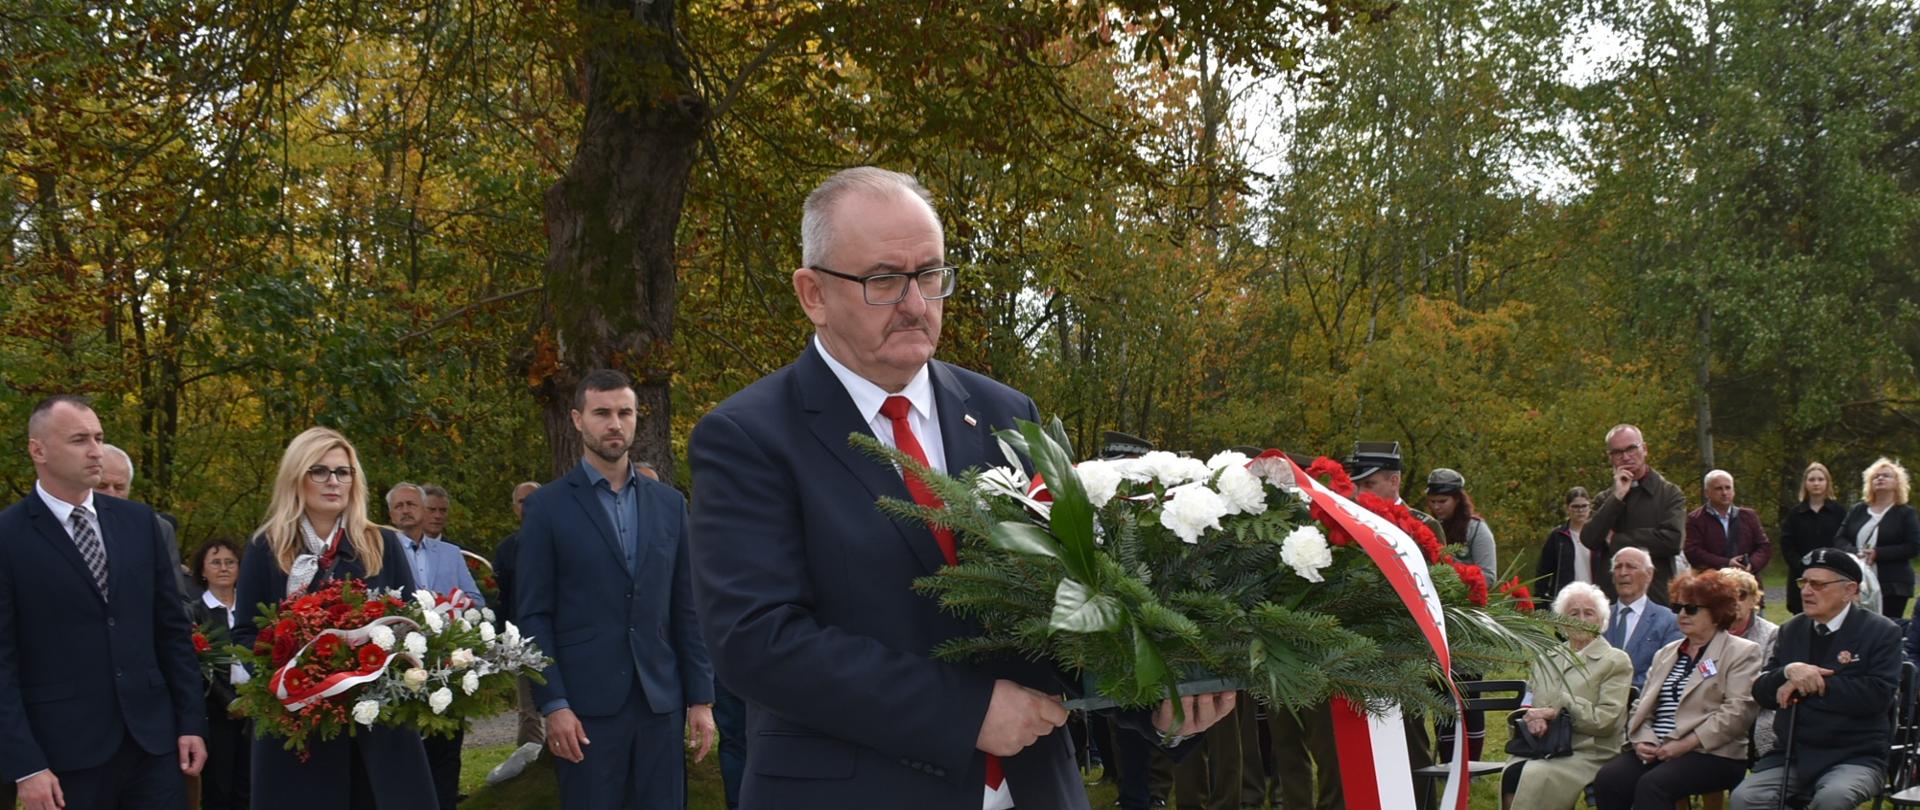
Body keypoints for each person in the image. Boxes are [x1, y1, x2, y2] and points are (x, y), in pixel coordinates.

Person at [688, 166, 1233, 810]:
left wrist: (1156, 701)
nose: (916, 305)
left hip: (1038, 788)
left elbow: (1063, 604)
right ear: (813, 293)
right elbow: (756, 641)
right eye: (883, 280)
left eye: (930, 275)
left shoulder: (1007, 412)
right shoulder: (747, 436)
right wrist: (964, 712)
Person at [516, 369, 716, 809]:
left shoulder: (670, 504)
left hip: (660, 703)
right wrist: (554, 704)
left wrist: (701, 698)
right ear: (577, 419)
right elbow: (534, 614)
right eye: (602, 413)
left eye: (625, 413)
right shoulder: (547, 507)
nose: (615, 424)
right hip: (584, 708)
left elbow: (687, 606)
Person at [0, 395, 207, 810]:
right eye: (79, 440)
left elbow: (171, 631)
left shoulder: (139, 522)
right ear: (38, 450)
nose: (96, 450)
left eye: (98, 437)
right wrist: (25, 765)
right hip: (64, 755)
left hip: (153, 744)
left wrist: (191, 721)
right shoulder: (8, 536)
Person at [231, 426, 435, 808]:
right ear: (297, 476)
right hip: (297, 727)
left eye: (343, 472)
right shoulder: (266, 546)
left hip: (376, 727)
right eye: (320, 471)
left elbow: (411, 627)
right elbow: (244, 634)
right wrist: (292, 676)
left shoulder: (382, 543)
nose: (333, 481)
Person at [1728, 549, 1903, 810]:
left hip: (1855, 754)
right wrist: (1788, 671)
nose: (1807, 591)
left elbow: (1877, 696)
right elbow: (1762, 692)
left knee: (1832, 799)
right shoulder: (1791, 630)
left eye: (1818, 584)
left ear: (1849, 590)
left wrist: (1808, 683)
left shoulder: (1880, 632)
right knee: (1745, 798)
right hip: (1793, 752)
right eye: (1804, 583)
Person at [1592, 569, 1761, 810]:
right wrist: (1643, 740)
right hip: (1658, 746)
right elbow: (1642, 705)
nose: (1681, 614)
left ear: (1717, 612)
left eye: (1691, 608)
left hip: (1711, 752)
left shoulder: (1741, 652)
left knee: (1654, 785)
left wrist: (1685, 744)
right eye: (1677, 607)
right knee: (1610, 779)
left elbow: (1738, 712)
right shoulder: (1667, 653)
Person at [1502, 582, 1633, 810]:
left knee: (1533, 775)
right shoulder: (1546, 657)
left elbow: (1607, 721)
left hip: (1590, 751)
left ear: (1601, 621)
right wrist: (1532, 718)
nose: (1580, 619)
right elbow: (1529, 700)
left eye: (1588, 613)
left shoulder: (1615, 660)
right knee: (1512, 773)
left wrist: (1558, 711)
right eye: (1573, 613)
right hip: (1542, 745)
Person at [396, 483, 483, 810]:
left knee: (447, 747)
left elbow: (475, 599)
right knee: (406, 748)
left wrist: (453, 607)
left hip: (447, 662)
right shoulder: (381, 549)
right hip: (400, 665)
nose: (407, 511)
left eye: (412, 504)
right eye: (399, 506)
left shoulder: (450, 553)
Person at [1583, 424, 1687, 604]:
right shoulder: (1605, 499)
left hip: (1655, 597)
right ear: (1610, 457)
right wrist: (1617, 497)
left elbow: (1673, 540)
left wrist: (1617, 540)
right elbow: (1589, 539)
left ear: (1644, 449)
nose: (1625, 457)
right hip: (1612, 598)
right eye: (1617, 452)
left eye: (1631, 449)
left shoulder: (1669, 493)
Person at [186, 538, 249, 810]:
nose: (223, 568)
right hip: (216, 713)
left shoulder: (251, 608)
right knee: (219, 791)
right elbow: (196, 665)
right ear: (202, 570)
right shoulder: (193, 612)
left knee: (250, 788)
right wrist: (230, 702)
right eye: (215, 562)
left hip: (256, 707)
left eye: (230, 562)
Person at [98, 443, 196, 599]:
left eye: (119, 487)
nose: (111, 494)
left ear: (129, 488)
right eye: (102, 486)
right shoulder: (67, 523)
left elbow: (176, 599)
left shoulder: (157, 529)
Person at [490, 480, 543, 747]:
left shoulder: (565, 541)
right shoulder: (506, 549)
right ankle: (530, 758)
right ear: (514, 509)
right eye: (522, 501)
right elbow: (500, 597)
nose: (528, 506)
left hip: (565, 635)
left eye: (534, 499)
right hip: (522, 638)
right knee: (528, 708)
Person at [1836, 458, 1920, 618]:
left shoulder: (1905, 513)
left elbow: (1913, 547)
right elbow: (1839, 539)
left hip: (1892, 583)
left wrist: (1878, 553)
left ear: (1897, 483)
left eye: (1886, 475)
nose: (1880, 478)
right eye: (1876, 476)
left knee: (1887, 625)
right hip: (1857, 579)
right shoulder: (1858, 510)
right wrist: (1855, 553)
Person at [1603, 547, 1682, 690]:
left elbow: (1666, 671)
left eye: (1631, 567)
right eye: (1618, 567)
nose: (1623, 573)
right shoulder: (1599, 617)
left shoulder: (1669, 621)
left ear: (1649, 574)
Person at [1721, 567, 1778, 758]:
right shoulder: (1707, 631)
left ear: (1754, 599)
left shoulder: (1772, 634)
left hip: (1756, 710)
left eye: (1742, 595)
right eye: (1727, 596)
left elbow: (1768, 683)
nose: (1735, 602)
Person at [1779, 462, 1847, 614]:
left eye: (1820, 479)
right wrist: (1803, 567)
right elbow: (1787, 545)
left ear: (1827, 482)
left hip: (1831, 575)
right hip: (1801, 576)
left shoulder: (1839, 512)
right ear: (1805, 483)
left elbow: (1844, 541)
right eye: (1812, 479)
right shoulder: (1795, 514)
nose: (1816, 483)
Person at [1683, 470, 1772, 575]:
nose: (1724, 493)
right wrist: (1726, 563)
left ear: (1734, 491)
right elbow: (1692, 551)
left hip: (1747, 578)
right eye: (1718, 488)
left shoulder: (1748, 516)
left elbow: (1764, 546)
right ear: (1707, 493)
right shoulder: (1696, 519)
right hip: (1712, 580)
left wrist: (1751, 564)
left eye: (1728, 488)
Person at [1535, 487, 1604, 605]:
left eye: (1584, 506)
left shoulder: (1599, 534)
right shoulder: (1558, 536)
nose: (1580, 510)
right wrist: (1541, 601)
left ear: (1590, 507)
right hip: (1565, 600)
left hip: (1595, 598)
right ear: (1567, 508)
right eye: (1575, 506)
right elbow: (1543, 571)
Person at [1425, 468, 1495, 582]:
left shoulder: (1477, 529)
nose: (1436, 507)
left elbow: (1489, 577)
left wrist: (1453, 576)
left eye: (1442, 501)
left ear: (1457, 499)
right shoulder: (1429, 526)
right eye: (1432, 501)